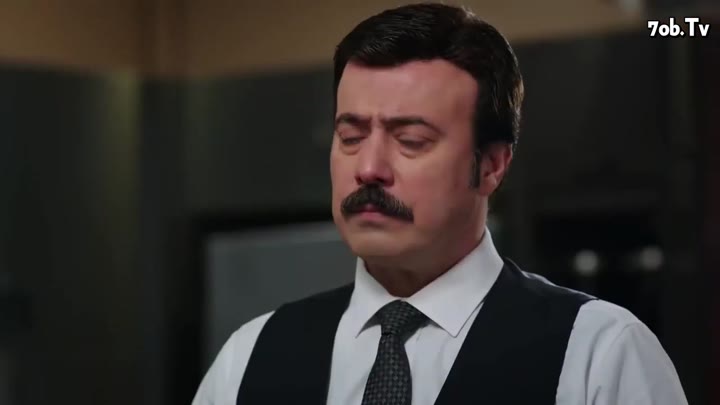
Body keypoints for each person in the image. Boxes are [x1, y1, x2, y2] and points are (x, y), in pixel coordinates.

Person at [192, 3, 688, 404]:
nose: (369, 167)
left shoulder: (598, 356)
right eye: (351, 137)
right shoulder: (249, 359)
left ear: (491, 165)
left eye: (411, 140)